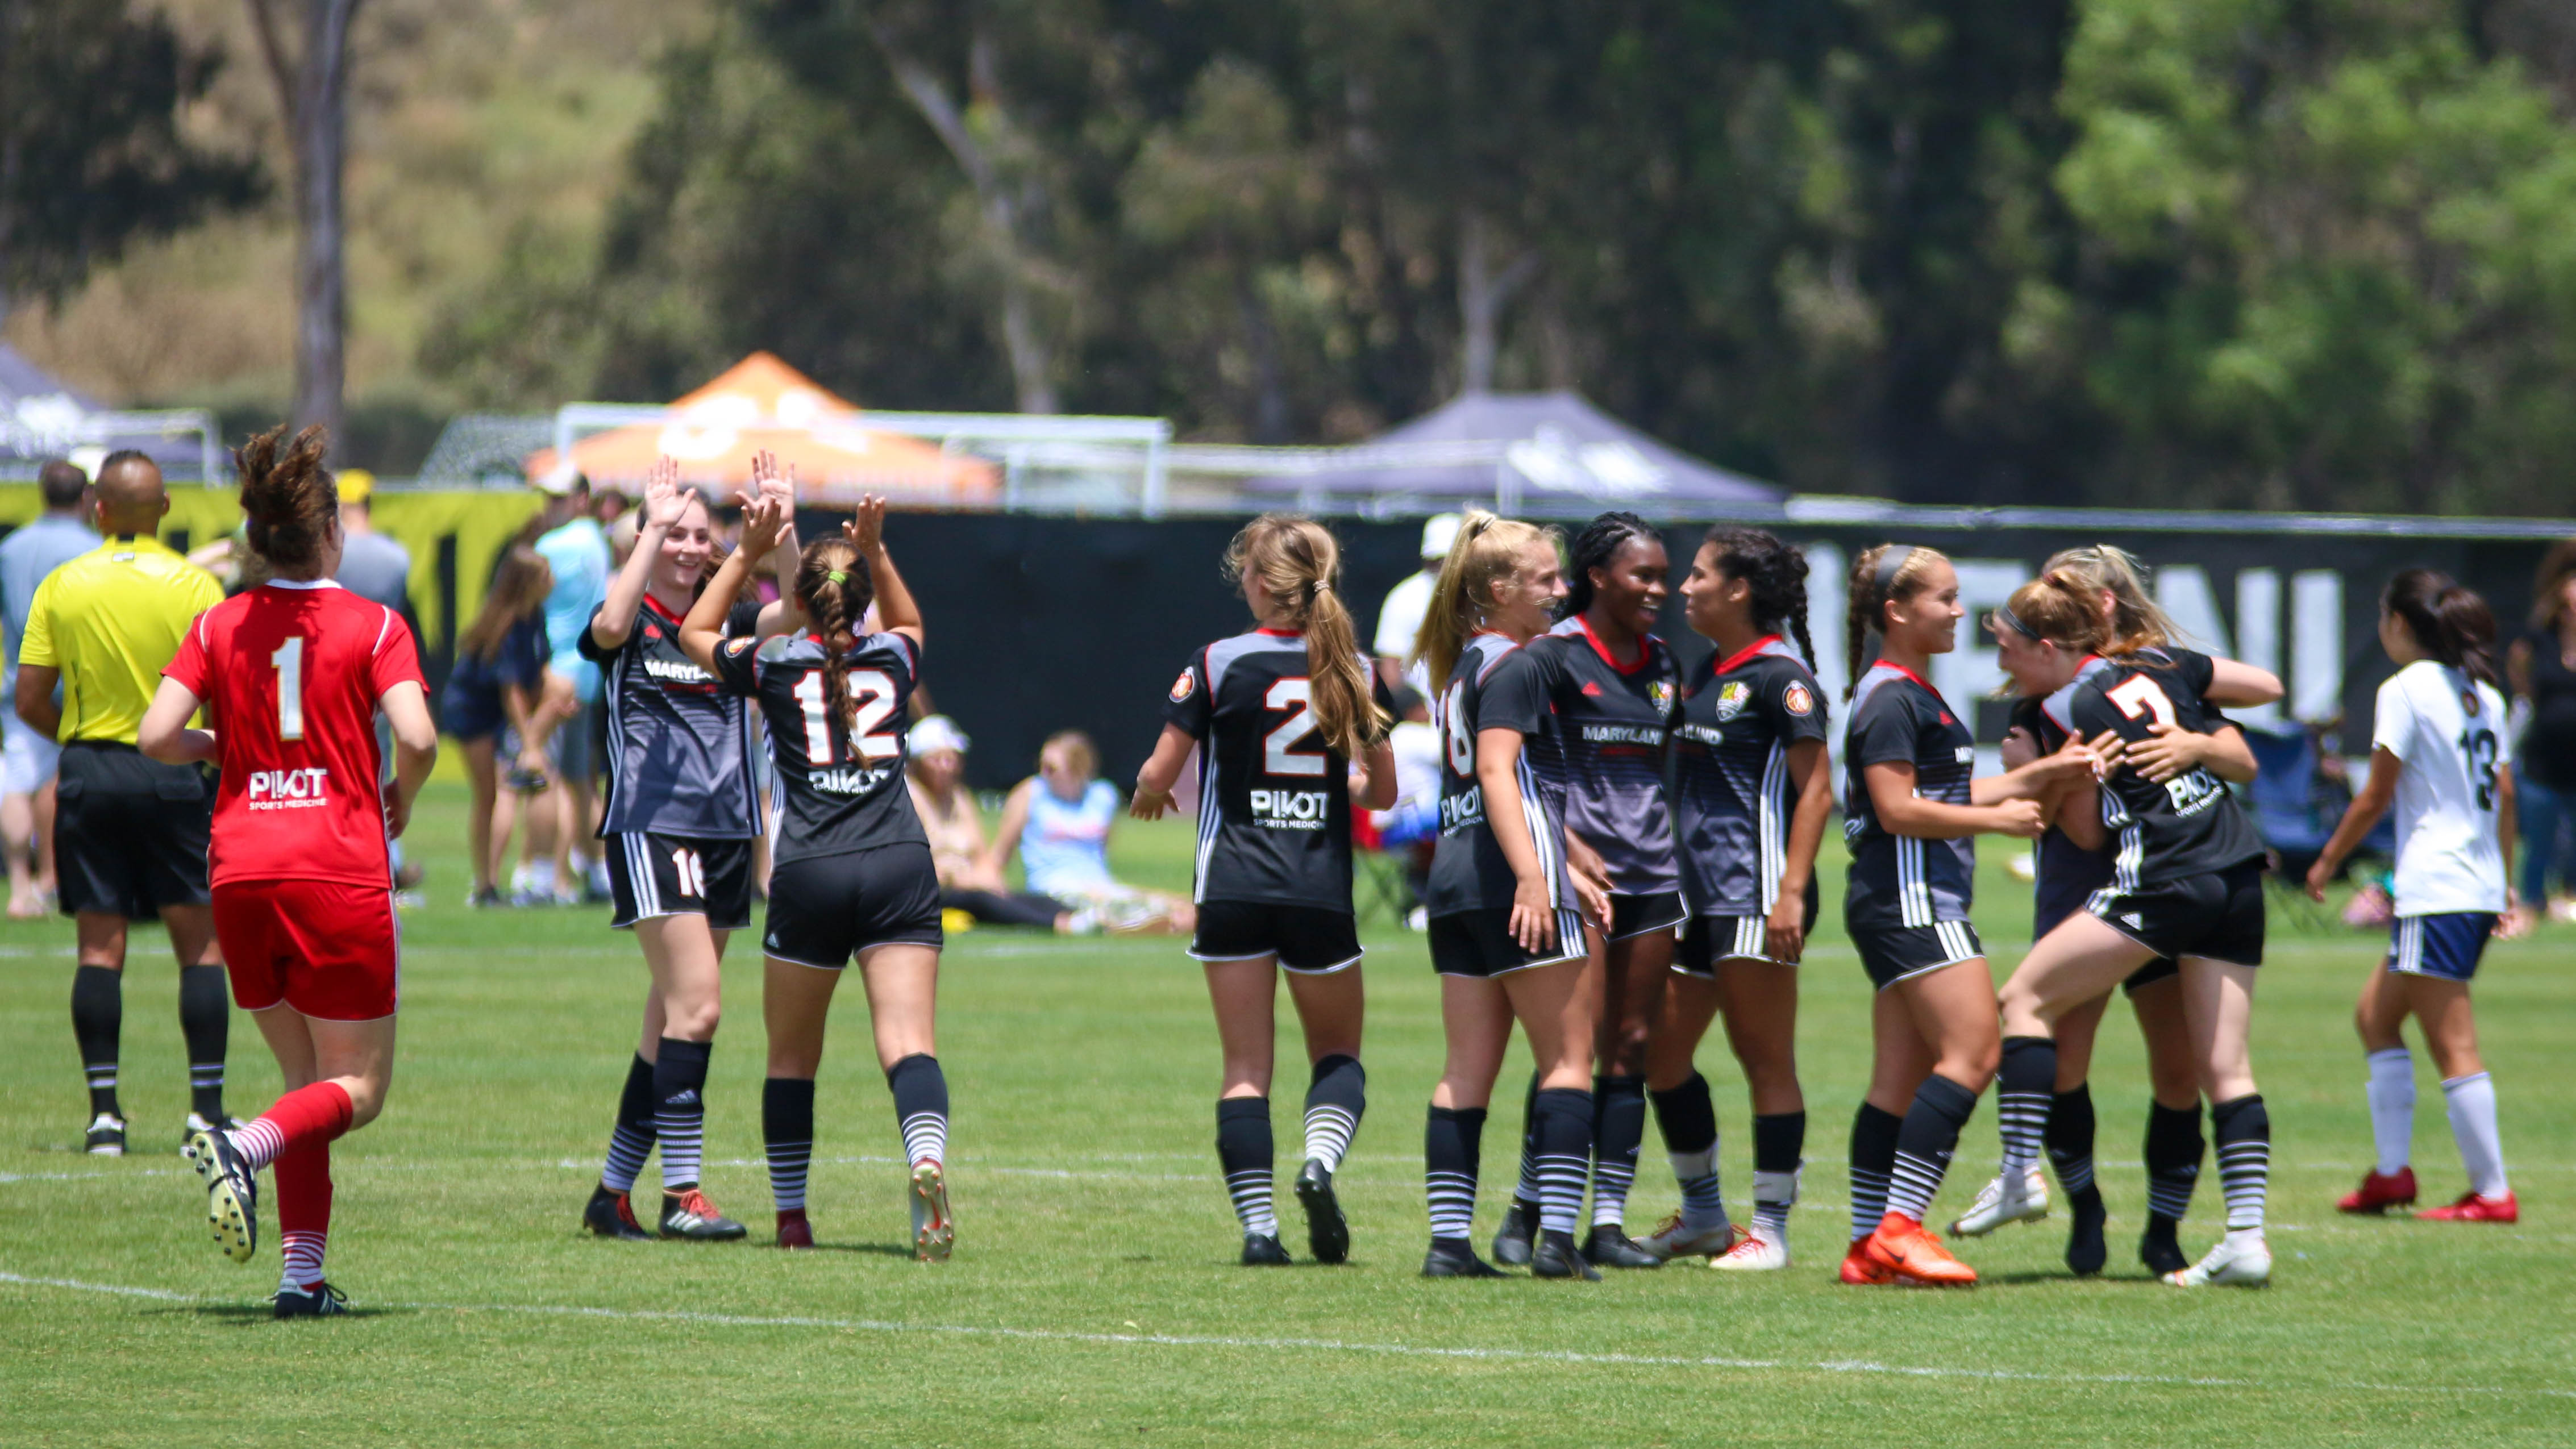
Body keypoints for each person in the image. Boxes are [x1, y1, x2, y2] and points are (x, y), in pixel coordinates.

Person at [142, 423, 438, 1317]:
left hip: (240, 872)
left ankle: (301, 1276)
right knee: (360, 1088)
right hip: (337, 870)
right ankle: (239, 1143)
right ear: (333, 532)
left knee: (309, 1080)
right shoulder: (375, 623)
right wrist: (403, 790)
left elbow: (158, 737)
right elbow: (419, 735)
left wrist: (220, 742)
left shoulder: (219, 621)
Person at [1957, 544, 2277, 1279]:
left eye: (2006, 644)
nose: (1997, 659)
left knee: (2023, 998)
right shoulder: (2166, 665)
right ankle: (2246, 1238)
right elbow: (2250, 713)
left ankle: (2016, 1173)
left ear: (2058, 635)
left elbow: (2091, 833)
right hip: (2234, 865)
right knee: (2223, 1065)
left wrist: (2035, 773)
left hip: (2160, 878)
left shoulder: (2059, 706)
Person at [681, 492, 955, 1259]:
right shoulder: (895, 659)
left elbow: (694, 632)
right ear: (863, 595)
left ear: (794, 599)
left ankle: (794, 1217)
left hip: (811, 870)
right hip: (899, 859)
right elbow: (909, 625)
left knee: (792, 1056)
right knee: (909, 1042)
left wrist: (746, 549)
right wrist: (877, 547)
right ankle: (925, 1160)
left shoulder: (772, 661)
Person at [1132, 515, 1398, 1266]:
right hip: (1317, 887)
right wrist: (1337, 779)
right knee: (1338, 1053)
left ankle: (1259, 1230)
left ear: (1255, 582)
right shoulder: (1351, 664)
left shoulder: (1217, 660)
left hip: (1233, 885)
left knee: (1245, 1069)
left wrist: (1150, 795)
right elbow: (1383, 792)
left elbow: (1159, 771)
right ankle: (1318, 1163)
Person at [1835, 544, 2084, 1289]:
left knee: (1897, 1079)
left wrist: (2032, 777)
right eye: (1943, 598)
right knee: (1975, 1054)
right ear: (1896, 611)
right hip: (1914, 902)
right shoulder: (1889, 696)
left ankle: (1863, 1244)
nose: (1957, 611)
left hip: (1897, 900)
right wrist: (2006, 820)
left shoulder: (1909, 690)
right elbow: (1897, 808)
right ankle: (1901, 1226)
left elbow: (1941, 785)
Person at [573, 456, 786, 1244]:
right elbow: (608, 628)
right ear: (651, 539)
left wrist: (781, 531)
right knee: (698, 1007)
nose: (694, 547)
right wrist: (652, 525)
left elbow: (793, 613)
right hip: (653, 824)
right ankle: (683, 1192)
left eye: (706, 535)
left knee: (668, 1020)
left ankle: (612, 1194)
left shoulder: (725, 621)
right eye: (680, 534)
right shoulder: (633, 616)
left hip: (727, 829)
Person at [1405, 511, 1607, 1280]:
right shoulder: (1521, 664)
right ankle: (1557, 1238)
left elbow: (1513, 784)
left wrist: (1570, 855)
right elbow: (1499, 772)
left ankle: (1448, 1242)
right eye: (1546, 577)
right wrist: (1535, 872)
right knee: (1567, 1059)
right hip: (1504, 877)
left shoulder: (1462, 665)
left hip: (1454, 881)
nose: (1561, 589)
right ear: (1498, 588)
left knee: (1465, 1068)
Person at [15, 449, 231, 1159]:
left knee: (98, 950)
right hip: (173, 775)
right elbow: (226, 696)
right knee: (200, 945)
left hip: (90, 773)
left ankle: (105, 1117)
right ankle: (205, 1112)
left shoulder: (63, 584)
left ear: (97, 509)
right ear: (165, 508)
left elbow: (28, 700)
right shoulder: (197, 585)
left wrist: (79, 740)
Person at [1486, 511, 1682, 1272]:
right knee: (1570, 1048)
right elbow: (1518, 768)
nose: (1658, 589)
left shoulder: (1663, 660)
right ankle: (1530, 1209)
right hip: (1579, 879)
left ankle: (1605, 1223)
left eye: (1664, 575)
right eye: (1643, 574)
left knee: (1629, 1047)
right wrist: (1564, 851)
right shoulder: (1551, 658)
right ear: (1598, 576)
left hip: (1652, 875)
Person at [1639, 527, 1832, 1271]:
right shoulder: (1710, 670)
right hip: (1696, 897)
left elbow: (1817, 787)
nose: (1682, 588)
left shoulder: (1780, 676)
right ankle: (1705, 1217)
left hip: (1755, 893)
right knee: (1661, 1052)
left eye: (1697, 575)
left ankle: (1772, 1231)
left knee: (1763, 1057)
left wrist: (1789, 892)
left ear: (1739, 590)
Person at [2310, 571, 2519, 1224]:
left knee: (2452, 1043)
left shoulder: (2405, 689)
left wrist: (2326, 861)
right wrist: (2504, 880)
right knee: (2376, 1017)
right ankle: (2393, 1176)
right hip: (2473, 885)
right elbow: (2506, 796)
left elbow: (2374, 795)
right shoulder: (2484, 694)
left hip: (2438, 887)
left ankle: (2492, 1193)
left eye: (2383, 616)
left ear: (2402, 624)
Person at [0, 459, 99, 918]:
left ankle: (20, 885)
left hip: (20, 675)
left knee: (18, 780)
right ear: (86, 498)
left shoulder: (11, 547)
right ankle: (50, 878)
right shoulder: (93, 548)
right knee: (56, 778)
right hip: (75, 679)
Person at [440, 546, 555, 907]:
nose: (551, 582)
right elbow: (511, 692)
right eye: (544, 576)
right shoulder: (505, 626)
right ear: (526, 583)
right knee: (488, 794)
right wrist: (530, 742)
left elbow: (538, 673)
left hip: (499, 715)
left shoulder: (533, 616)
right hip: (472, 713)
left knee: (501, 793)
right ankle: (484, 885)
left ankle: (491, 884)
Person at [987, 731, 1193, 932]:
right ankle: (1133, 925)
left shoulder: (1103, 796)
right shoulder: (1031, 793)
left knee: (1177, 903)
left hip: (1101, 887)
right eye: (1041, 765)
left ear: (1079, 767)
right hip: (1053, 891)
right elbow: (998, 857)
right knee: (1126, 907)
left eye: (1051, 768)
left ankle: (1155, 921)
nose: (1043, 773)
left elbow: (1101, 853)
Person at [906, 715, 1081, 931]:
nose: (946, 767)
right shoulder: (910, 798)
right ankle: (1059, 925)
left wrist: (991, 880)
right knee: (982, 901)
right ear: (917, 763)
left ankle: (1075, 916)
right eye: (937, 760)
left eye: (952, 759)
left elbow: (981, 856)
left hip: (970, 883)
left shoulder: (959, 797)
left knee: (1033, 900)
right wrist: (961, 880)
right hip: (937, 891)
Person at [531, 469, 613, 905]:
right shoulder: (596, 541)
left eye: (560, 499)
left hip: (557, 672)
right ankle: (597, 872)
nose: (551, 506)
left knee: (546, 776)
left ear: (582, 498)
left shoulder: (552, 546)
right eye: (548, 498)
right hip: (587, 670)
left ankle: (552, 876)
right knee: (581, 781)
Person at [2502, 542, 2576, 936]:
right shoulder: (2540, 640)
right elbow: (2520, 676)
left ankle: (2569, 898)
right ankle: (2529, 903)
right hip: (2542, 761)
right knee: (2538, 842)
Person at [1372, 513, 1461, 697]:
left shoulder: (1480, 596)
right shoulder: (1404, 597)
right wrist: (1409, 707)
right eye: (1437, 558)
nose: (1443, 566)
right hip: (1421, 717)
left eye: (1449, 559)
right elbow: (1390, 665)